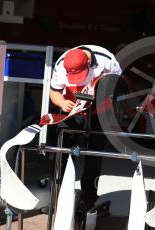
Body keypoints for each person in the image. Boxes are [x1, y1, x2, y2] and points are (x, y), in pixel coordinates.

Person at [50, 45, 122, 209]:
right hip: (72, 110)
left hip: (99, 111)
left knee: (94, 157)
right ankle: (58, 197)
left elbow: (118, 84)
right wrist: (62, 102)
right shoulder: (62, 64)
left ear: (89, 62)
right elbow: (54, 91)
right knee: (63, 155)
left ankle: (89, 199)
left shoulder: (107, 60)